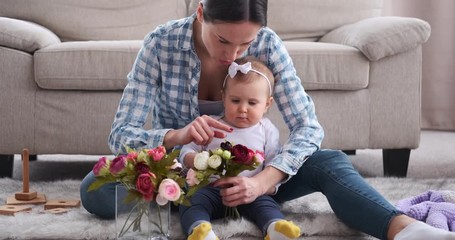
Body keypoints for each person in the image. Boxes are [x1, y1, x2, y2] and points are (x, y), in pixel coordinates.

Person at [79, 0, 455, 239]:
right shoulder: (160, 45)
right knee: (95, 186)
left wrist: (262, 181)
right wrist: (176, 136)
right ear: (200, 13)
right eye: (223, 40)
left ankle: (403, 230)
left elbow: (308, 127)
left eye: (245, 44)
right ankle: (197, 207)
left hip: (260, 186)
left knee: (331, 161)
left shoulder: (269, 45)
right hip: (182, 178)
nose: (234, 54)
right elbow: (121, 134)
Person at [179, 57, 300, 240]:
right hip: (211, 189)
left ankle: (275, 228)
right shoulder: (211, 124)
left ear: (267, 104)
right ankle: (200, 231)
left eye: (252, 103)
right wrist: (195, 160)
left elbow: (273, 163)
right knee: (191, 203)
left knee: (266, 206)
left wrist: (264, 187)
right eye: (235, 100)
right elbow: (186, 150)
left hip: (250, 192)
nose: (243, 109)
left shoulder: (267, 130)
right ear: (223, 98)